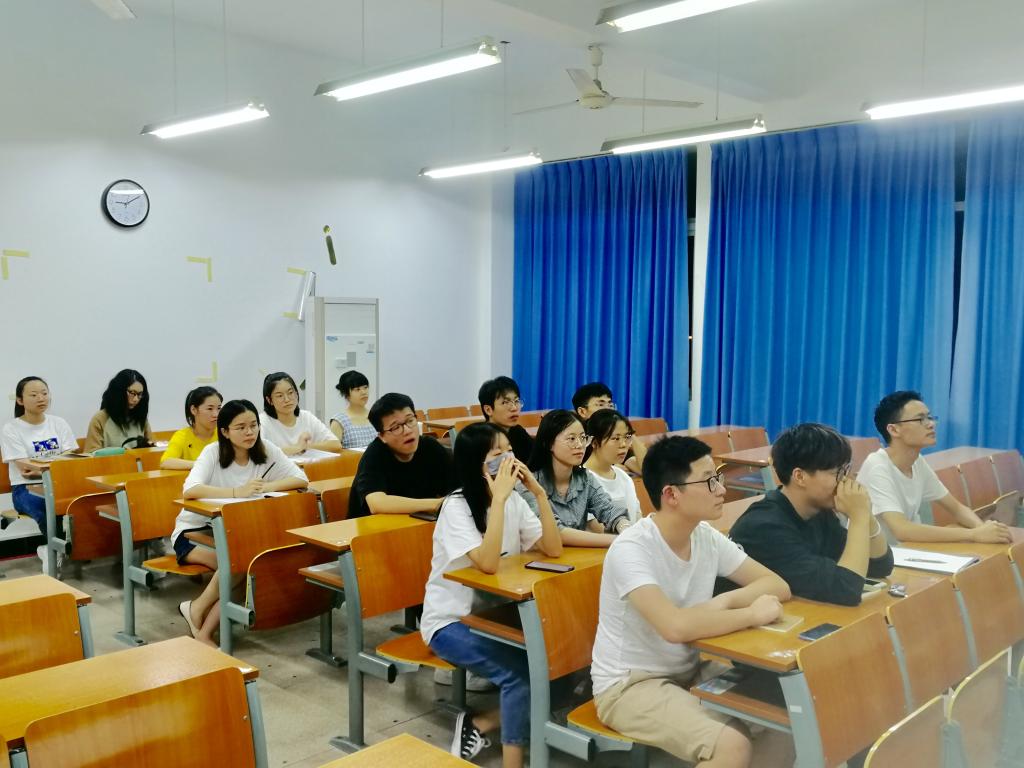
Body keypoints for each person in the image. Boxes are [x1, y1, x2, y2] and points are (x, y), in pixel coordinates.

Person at [591, 436, 794, 767]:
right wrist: (751, 614)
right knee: (732, 746)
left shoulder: (705, 536)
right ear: (672, 494)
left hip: (690, 670)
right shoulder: (631, 548)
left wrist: (722, 602)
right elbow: (674, 627)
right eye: (709, 481)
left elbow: (776, 585)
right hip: (629, 686)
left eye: (719, 478)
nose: (722, 489)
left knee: (785, 718)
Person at [422, 423, 562, 766]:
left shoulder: (513, 500)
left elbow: (553, 548)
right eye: (497, 453)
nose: (508, 459)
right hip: (451, 622)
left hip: (496, 617)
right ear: (477, 464)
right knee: (520, 677)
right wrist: (498, 499)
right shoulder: (456, 507)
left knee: (560, 663)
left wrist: (539, 495)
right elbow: (487, 563)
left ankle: (482, 723)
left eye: (509, 450)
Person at [171, 399, 307, 647]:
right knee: (240, 566)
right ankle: (201, 620)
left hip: (233, 531)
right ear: (225, 431)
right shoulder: (212, 453)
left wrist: (267, 486)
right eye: (241, 427)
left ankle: (198, 614)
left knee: (245, 564)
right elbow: (190, 490)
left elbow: (300, 479)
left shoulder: (266, 449)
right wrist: (237, 492)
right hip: (194, 532)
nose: (249, 432)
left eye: (253, 425)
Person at [730, 423, 894, 606]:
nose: (846, 481)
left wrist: (866, 515)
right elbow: (846, 589)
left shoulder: (818, 512)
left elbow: (880, 566)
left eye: (846, 470)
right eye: (837, 473)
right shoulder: (764, 527)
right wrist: (858, 518)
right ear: (800, 476)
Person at [857, 391, 1011, 545]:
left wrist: (983, 529)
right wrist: (973, 534)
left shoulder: (917, 461)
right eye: (920, 419)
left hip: (907, 550)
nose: (931, 424)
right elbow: (902, 530)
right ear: (894, 430)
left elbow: (956, 508)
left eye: (929, 417)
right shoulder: (877, 466)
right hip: (876, 556)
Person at [1, 376, 76, 568]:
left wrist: (43, 467)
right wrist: (58, 463)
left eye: (44, 393)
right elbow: (26, 470)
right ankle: (55, 550)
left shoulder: (58, 423)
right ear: (20, 400)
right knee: (46, 506)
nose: (41, 398)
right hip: (25, 489)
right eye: (33, 395)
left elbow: (73, 458)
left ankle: (57, 548)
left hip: (58, 484)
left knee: (83, 501)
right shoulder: (11, 429)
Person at [529, 409, 629, 546]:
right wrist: (620, 540)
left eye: (583, 438)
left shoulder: (585, 478)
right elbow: (555, 532)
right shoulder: (529, 484)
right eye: (571, 439)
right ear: (549, 443)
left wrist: (625, 528)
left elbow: (609, 510)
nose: (580, 445)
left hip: (577, 556)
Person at [348, 392, 457, 518]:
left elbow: (457, 488)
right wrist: (436, 504)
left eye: (410, 420)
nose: (407, 431)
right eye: (396, 427)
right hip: (373, 526)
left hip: (419, 522)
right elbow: (376, 503)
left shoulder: (431, 447)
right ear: (382, 436)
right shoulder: (374, 455)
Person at [571, 381, 647, 473]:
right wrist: (610, 466)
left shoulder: (616, 436)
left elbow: (645, 469)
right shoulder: (576, 438)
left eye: (610, 405)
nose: (608, 410)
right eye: (601, 404)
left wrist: (628, 431)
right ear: (582, 412)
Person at [259, 372, 341, 456]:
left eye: (290, 392)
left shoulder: (307, 417)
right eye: (280, 396)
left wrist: (306, 447)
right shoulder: (263, 421)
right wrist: (297, 448)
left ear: (296, 394)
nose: (287, 399)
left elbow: (336, 444)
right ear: (269, 400)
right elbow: (258, 453)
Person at [583, 409, 642, 523]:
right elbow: (597, 529)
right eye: (615, 438)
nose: (623, 444)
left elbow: (637, 517)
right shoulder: (582, 480)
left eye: (627, 437)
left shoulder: (624, 477)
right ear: (594, 442)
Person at [83, 369, 152, 452]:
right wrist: (119, 452)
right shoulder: (100, 419)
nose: (136, 399)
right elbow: (91, 454)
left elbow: (152, 449)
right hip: (110, 461)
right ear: (119, 391)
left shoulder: (141, 418)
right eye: (132, 393)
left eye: (140, 394)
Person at [160, 387, 222, 470]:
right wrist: (201, 465)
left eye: (219, 408)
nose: (216, 414)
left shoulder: (224, 433)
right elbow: (165, 462)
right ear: (194, 410)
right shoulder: (182, 436)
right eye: (210, 409)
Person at [478, 376, 534, 463]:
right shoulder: (479, 440)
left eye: (516, 401)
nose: (514, 408)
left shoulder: (518, 432)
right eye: (505, 402)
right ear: (488, 410)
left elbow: (535, 461)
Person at [329, 370, 376, 450]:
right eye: (357, 389)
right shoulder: (339, 421)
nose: (363, 392)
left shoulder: (376, 415)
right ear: (346, 394)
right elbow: (333, 451)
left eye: (365, 387)